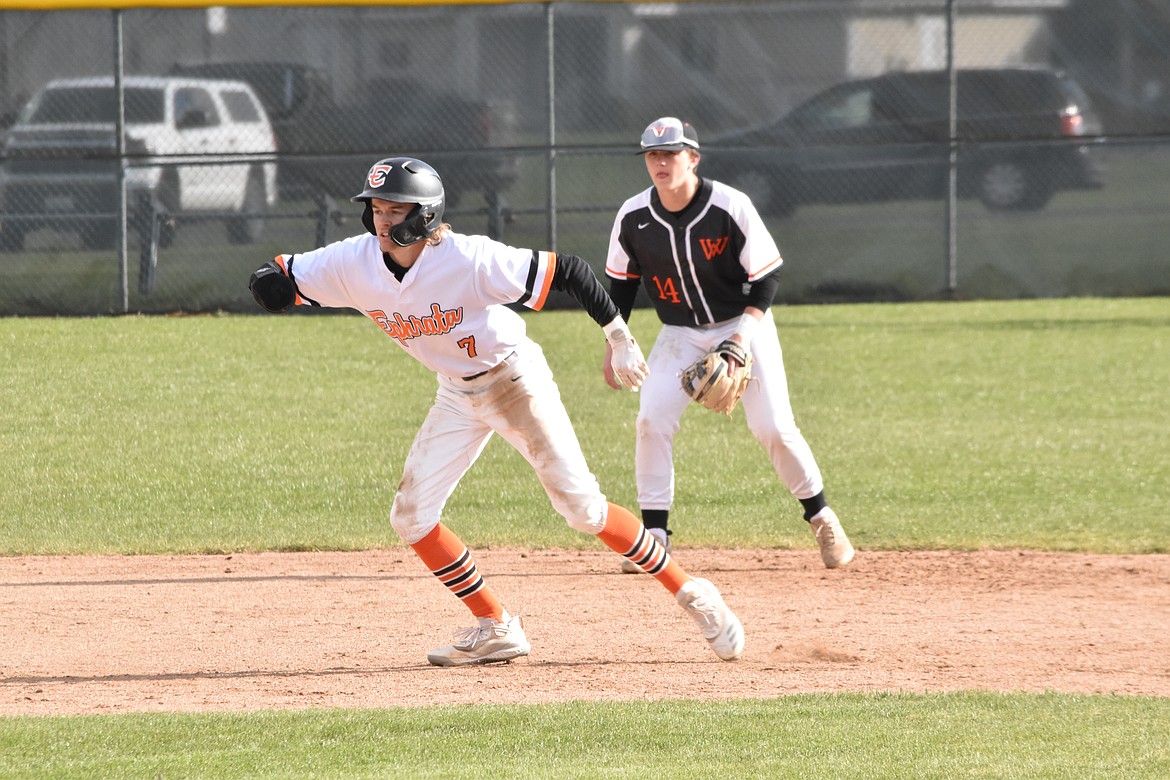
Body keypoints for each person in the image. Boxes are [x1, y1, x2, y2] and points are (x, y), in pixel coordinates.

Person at [247, 156, 744, 666]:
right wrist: (269, 282)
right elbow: (286, 272)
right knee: (411, 516)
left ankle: (693, 593)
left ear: (424, 215)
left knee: (584, 511)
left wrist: (618, 337)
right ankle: (495, 626)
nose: (382, 221)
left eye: (395, 211)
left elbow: (568, 270)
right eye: (376, 209)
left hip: (514, 381)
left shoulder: (469, 259)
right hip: (455, 394)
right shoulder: (355, 262)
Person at [603, 117, 855, 573]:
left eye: (670, 153)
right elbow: (621, 286)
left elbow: (766, 278)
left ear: (693, 159)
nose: (660, 162)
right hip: (680, 332)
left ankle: (821, 518)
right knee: (651, 419)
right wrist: (614, 344)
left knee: (773, 428)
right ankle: (655, 536)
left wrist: (740, 339)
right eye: (652, 155)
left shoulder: (728, 206)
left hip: (742, 323)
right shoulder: (634, 216)